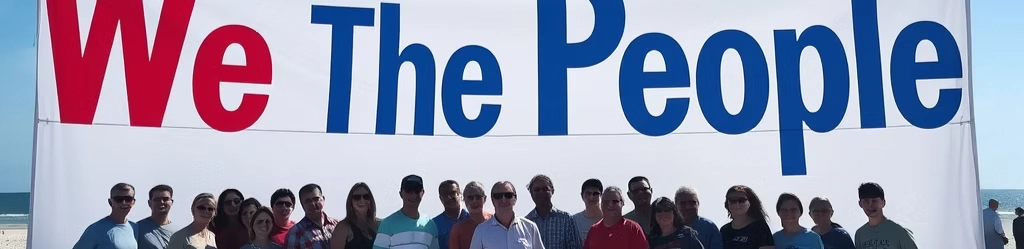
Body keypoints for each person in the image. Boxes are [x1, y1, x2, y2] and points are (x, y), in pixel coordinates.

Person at [468, 181, 545, 249]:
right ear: (493, 200)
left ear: (515, 199)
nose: (503, 199)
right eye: (498, 196)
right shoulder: (481, 231)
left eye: (508, 195)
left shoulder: (530, 227)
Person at [374, 175, 440, 249]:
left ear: (423, 193)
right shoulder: (387, 224)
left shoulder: (430, 225)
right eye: (409, 191)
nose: (413, 195)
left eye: (417, 191)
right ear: (401, 194)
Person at [72, 183, 140, 249]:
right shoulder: (96, 229)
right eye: (119, 199)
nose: (123, 202)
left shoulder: (134, 227)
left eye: (128, 199)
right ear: (110, 202)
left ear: (133, 202)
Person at [525, 174, 582, 249]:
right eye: (537, 189)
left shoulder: (566, 220)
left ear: (552, 191)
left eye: (545, 189)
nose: (541, 192)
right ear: (531, 193)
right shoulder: (525, 223)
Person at [853, 182, 917, 249]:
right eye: (866, 201)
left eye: (874, 201)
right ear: (860, 204)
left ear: (883, 202)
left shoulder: (898, 231)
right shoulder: (860, 234)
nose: (870, 205)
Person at [582, 186, 647, 249]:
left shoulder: (633, 228)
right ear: (601, 204)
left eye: (615, 201)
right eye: (606, 202)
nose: (610, 204)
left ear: (622, 203)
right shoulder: (593, 230)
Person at [286, 183, 340, 249]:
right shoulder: (295, 233)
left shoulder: (338, 226)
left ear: (323, 199)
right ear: (302, 204)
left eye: (316, 199)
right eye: (308, 201)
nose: (313, 204)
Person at [720, 185, 773, 249]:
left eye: (741, 200)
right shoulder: (724, 230)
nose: (737, 204)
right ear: (727, 204)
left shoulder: (760, 228)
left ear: (750, 203)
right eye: (732, 201)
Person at [330, 182, 381, 249]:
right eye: (357, 197)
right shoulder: (343, 227)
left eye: (366, 196)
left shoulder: (380, 225)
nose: (362, 200)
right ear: (350, 202)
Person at [448, 181, 493, 249]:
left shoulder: (494, 221)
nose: (474, 201)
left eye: (478, 197)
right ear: (464, 200)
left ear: (485, 199)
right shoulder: (458, 229)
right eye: (470, 198)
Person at [139, 184, 184, 249]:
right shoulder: (138, 229)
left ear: (171, 202)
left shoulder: (178, 233)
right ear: (149, 203)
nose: (161, 202)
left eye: (165, 199)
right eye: (157, 199)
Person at [433, 180, 470, 249]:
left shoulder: (472, 220)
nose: (449, 197)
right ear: (441, 198)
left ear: (460, 195)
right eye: (445, 194)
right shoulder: (434, 224)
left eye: (452, 193)